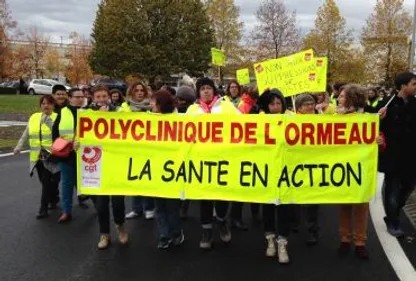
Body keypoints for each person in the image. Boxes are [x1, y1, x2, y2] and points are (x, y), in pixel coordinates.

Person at [186, 77, 239, 250]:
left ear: (214, 90)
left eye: (209, 88)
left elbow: (244, 125)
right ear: (199, 92)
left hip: (223, 159)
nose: (206, 91)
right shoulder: (192, 110)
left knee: (222, 195)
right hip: (201, 160)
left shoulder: (227, 107)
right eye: (202, 89)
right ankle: (206, 230)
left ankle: (222, 222)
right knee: (205, 198)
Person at [336, 84, 386, 260]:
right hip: (341, 168)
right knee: (344, 205)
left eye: (342, 96)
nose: (339, 99)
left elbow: (380, 141)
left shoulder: (367, 119)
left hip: (361, 169)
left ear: (351, 99)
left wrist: (380, 141)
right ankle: (344, 238)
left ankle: (359, 242)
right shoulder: (335, 119)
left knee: (361, 207)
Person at [83, 84, 128, 249]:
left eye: (104, 96)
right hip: (97, 165)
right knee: (101, 204)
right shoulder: (86, 114)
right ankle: (104, 234)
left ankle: (120, 226)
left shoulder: (119, 112)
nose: (101, 99)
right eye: (98, 97)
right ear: (93, 98)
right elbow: (81, 135)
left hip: (115, 163)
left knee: (118, 202)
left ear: (108, 97)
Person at [253, 89, 291, 264]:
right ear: (267, 106)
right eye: (272, 103)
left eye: (278, 103)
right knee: (267, 207)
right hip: (266, 171)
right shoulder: (260, 120)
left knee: (284, 208)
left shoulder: (292, 119)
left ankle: (282, 242)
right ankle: (270, 240)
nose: (276, 107)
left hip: (286, 171)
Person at [380, 72, 416, 237]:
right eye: (413, 84)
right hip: (393, 157)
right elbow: (371, 126)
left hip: (411, 157)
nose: (415, 87)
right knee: (392, 191)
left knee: (408, 187)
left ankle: (394, 210)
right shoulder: (386, 105)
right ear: (403, 86)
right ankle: (393, 220)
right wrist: (378, 118)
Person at [14, 95, 60, 219]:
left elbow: (60, 134)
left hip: (51, 155)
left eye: (49, 103)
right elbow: (27, 132)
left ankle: (43, 209)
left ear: (53, 105)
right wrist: (19, 146)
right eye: (43, 103)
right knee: (44, 181)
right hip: (37, 155)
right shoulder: (34, 117)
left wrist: (48, 121)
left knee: (48, 181)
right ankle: (54, 197)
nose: (46, 106)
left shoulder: (57, 117)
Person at [149, 90, 185, 249]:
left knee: (171, 206)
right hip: (155, 168)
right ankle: (164, 235)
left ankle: (176, 233)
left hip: (172, 169)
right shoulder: (148, 120)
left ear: (161, 104)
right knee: (159, 206)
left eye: (153, 102)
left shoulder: (179, 120)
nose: (151, 105)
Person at [52, 88, 88, 223]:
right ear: (70, 98)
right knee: (67, 183)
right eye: (77, 97)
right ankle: (66, 211)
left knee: (89, 181)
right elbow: (55, 133)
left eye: (82, 97)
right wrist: (65, 145)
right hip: (67, 155)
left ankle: (98, 207)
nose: (80, 99)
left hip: (87, 155)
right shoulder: (62, 112)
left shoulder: (89, 112)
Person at [292, 94, 320, 245]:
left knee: (311, 200)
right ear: (299, 107)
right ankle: (295, 223)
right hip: (295, 164)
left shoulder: (321, 120)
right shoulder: (291, 121)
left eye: (312, 103)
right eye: (306, 104)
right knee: (294, 197)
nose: (310, 106)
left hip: (314, 165)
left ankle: (312, 230)